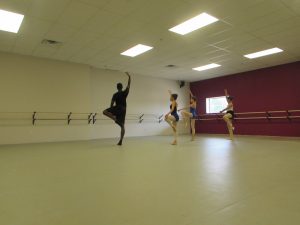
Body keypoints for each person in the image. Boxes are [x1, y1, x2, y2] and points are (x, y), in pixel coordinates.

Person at [103, 72, 131, 145]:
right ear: (122, 87)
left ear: (117, 87)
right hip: (124, 109)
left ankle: (115, 119)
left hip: (118, 107)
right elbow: (128, 85)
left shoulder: (115, 94)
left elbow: (111, 103)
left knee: (104, 111)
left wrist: (112, 112)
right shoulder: (125, 92)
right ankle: (121, 141)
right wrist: (129, 77)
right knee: (122, 126)